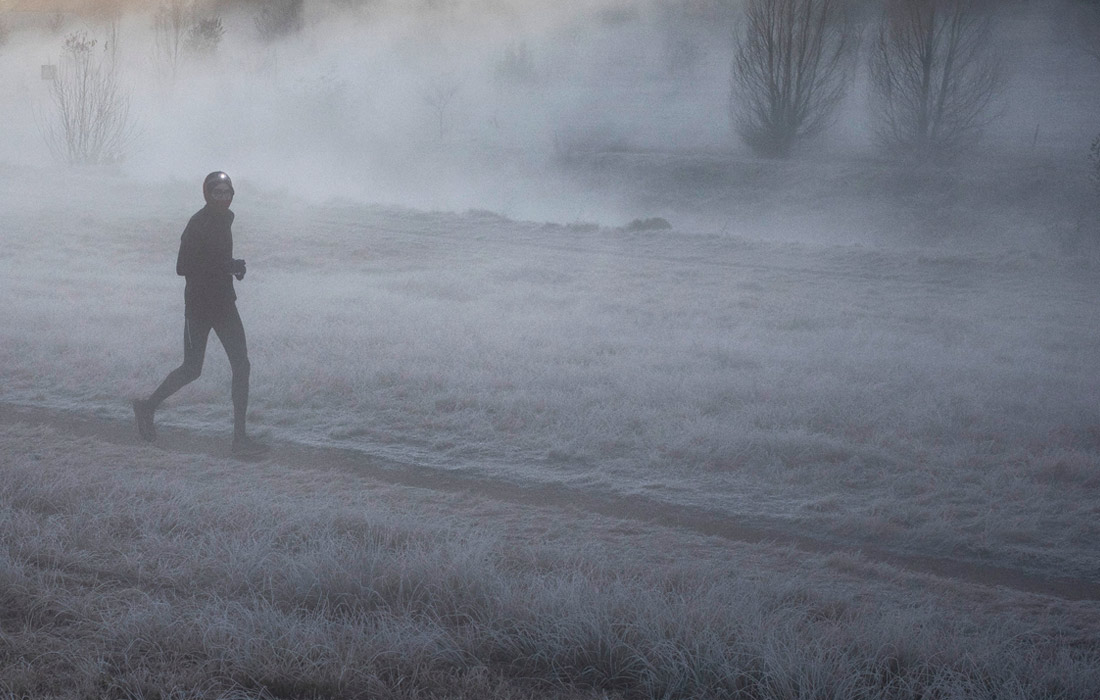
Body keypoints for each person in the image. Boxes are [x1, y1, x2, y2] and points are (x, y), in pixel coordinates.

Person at [133, 171, 267, 457]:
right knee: (192, 369)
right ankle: (146, 407)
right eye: (216, 192)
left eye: (226, 192)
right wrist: (224, 267)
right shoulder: (198, 223)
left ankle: (239, 440)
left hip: (224, 304)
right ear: (207, 194)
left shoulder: (225, 219)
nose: (222, 197)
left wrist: (231, 266)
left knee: (241, 365)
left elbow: (213, 260)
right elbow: (183, 267)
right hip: (199, 307)